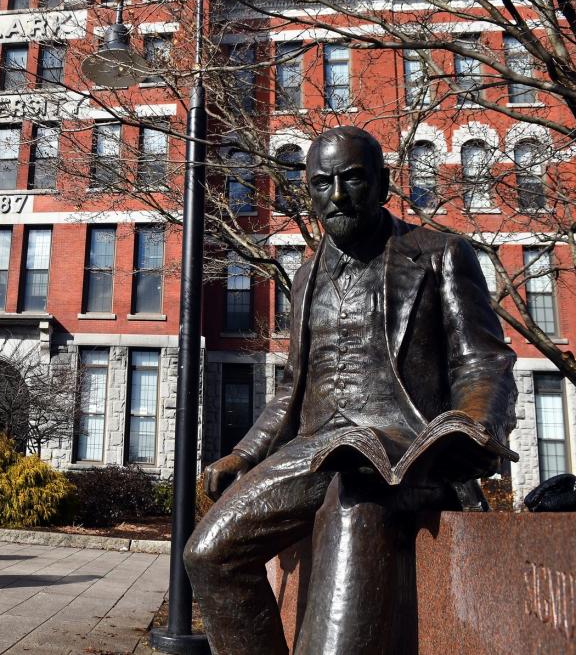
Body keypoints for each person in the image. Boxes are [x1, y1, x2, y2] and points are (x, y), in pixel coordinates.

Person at [184, 126, 518, 654]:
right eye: (322, 183)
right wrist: (244, 453)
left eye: (353, 179)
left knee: (352, 497)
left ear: (383, 184)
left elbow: (482, 361)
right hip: (312, 452)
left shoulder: (440, 255)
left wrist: (473, 430)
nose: (337, 195)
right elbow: (293, 385)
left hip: (401, 452)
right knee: (207, 553)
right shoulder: (304, 276)